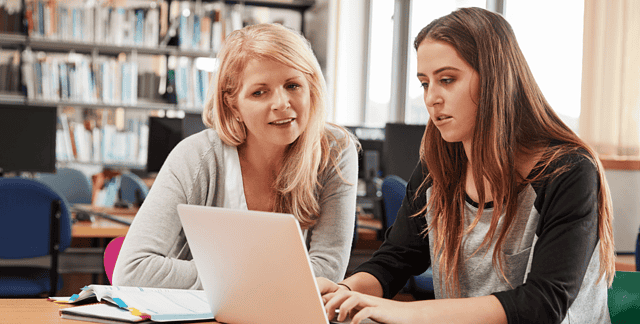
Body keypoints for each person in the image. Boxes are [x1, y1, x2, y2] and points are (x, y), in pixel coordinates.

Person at [319, 7, 615, 324]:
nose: (431, 97)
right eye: (424, 83)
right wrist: (343, 293)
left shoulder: (568, 171)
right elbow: (395, 259)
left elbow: (542, 305)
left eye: (447, 80)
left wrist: (403, 311)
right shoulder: (437, 169)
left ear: (495, 80)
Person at [112, 23, 359, 288]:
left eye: (293, 85)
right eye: (259, 92)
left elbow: (327, 271)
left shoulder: (334, 151)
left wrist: (227, 276)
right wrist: (252, 278)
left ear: (310, 88)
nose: (282, 103)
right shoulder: (196, 157)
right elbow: (132, 271)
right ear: (233, 103)